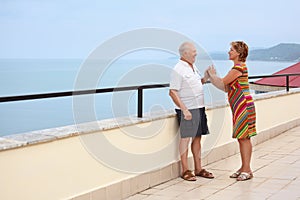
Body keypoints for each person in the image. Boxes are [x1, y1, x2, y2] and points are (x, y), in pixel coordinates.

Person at [207, 41, 257, 181]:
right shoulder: (236, 69)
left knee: (244, 138)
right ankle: (244, 167)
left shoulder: (238, 68)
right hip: (239, 106)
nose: (229, 52)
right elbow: (225, 88)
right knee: (242, 138)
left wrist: (212, 75)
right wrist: (212, 77)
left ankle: (247, 169)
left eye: (232, 50)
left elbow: (222, 82)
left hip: (243, 106)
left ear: (239, 53)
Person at [169, 42, 214, 181]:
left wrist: (206, 77)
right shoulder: (178, 69)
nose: (196, 53)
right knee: (185, 139)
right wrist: (184, 110)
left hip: (199, 107)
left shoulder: (192, 66)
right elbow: (172, 92)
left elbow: (196, 84)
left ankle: (198, 169)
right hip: (188, 110)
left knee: (198, 138)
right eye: (193, 51)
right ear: (185, 53)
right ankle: (185, 170)